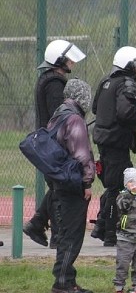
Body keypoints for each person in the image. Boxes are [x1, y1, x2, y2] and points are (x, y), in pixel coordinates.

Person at [24, 39, 87, 248]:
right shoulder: (54, 83)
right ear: (59, 60)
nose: (72, 62)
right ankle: (56, 236)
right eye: (69, 59)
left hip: (50, 143)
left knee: (57, 187)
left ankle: (39, 223)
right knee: (60, 188)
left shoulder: (49, 79)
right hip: (55, 146)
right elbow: (58, 116)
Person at [91, 46, 136, 247]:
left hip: (104, 141)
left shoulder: (106, 81)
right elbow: (126, 113)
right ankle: (109, 234)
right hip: (117, 142)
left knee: (112, 185)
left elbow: (95, 107)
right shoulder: (127, 84)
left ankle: (101, 226)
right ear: (128, 65)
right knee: (117, 188)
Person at [49, 79, 97, 293]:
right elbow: (82, 155)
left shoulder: (59, 114)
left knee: (65, 233)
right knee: (73, 235)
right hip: (72, 183)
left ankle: (67, 278)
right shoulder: (75, 119)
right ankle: (62, 283)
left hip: (59, 181)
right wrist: (87, 183)